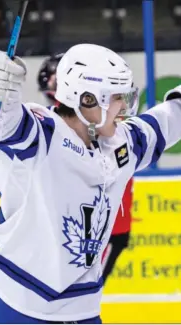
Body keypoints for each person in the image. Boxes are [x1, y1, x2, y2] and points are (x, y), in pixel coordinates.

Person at [0, 44, 181, 323]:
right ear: (87, 100)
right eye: (117, 97)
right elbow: (3, 125)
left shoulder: (119, 143)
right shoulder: (41, 134)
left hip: (82, 310)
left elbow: (164, 122)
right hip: (10, 304)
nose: (125, 106)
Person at [37, 54, 134, 284]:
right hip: (90, 227)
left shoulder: (105, 129)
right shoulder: (54, 129)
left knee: (83, 288)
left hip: (107, 229)